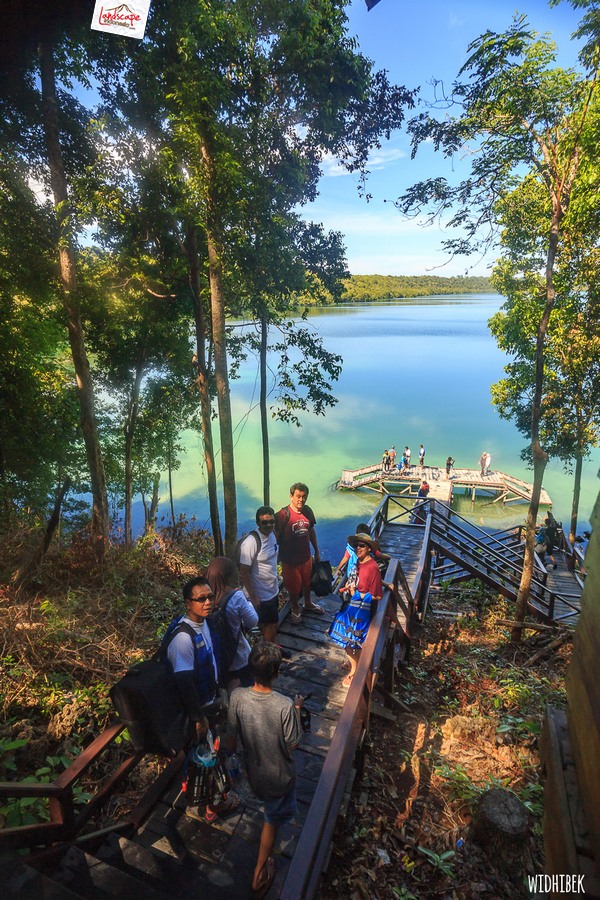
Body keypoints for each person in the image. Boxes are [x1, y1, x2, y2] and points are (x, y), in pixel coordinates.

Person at [227, 643, 303, 899]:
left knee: (268, 807)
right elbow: (293, 743)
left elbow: (231, 735)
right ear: (277, 673)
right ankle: (259, 874)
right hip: (278, 777)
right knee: (272, 820)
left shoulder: (237, 696)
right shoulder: (284, 705)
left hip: (253, 771)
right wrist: (298, 710)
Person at [166, 576, 239, 821]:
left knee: (209, 754)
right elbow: (183, 682)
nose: (207, 602)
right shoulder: (183, 639)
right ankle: (213, 806)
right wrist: (198, 718)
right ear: (188, 603)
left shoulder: (205, 624)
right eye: (201, 599)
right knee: (207, 758)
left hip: (210, 701)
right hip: (198, 710)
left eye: (210, 597)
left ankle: (209, 797)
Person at [328, 533, 383, 687]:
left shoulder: (372, 567)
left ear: (369, 548)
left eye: (362, 546)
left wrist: (358, 594)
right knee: (345, 638)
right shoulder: (359, 563)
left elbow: (378, 595)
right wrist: (349, 588)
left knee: (352, 642)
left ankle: (355, 672)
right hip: (352, 606)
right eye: (356, 545)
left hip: (362, 611)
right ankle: (355, 666)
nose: (358, 548)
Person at [206, 557, 259, 691]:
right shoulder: (236, 597)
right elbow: (253, 621)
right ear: (228, 575)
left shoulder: (204, 597)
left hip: (217, 659)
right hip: (239, 657)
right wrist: (248, 602)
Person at [275, 482, 323, 625]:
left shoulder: (308, 511)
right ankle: (295, 608)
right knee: (293, 587)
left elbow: (311, 531)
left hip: (306, 557)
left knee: (307, 583)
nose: (301, 500)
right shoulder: (282, 515)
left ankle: (308, 603)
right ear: (291, 496)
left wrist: (316, 550)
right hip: (290, 561)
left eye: (304, 496)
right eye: (298, 496)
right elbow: (275, 538)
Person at [238, 507, 280, 645]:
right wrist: (253, 596)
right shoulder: (251, 542)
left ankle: (274, 649)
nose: (269, 525)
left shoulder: (272, 535)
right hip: (261, 595)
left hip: (272, 590)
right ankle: (269, 656)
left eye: (271, 522)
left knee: (273, 624)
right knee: (268, 625)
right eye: (264, 523)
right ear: (257, 523)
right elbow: (244, 571)